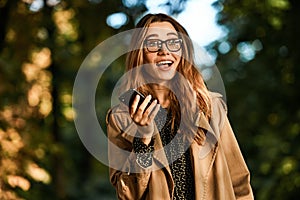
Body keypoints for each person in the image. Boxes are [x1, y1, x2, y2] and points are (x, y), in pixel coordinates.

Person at [106, 13, 254, 200]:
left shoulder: (210, 107)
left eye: (173, 43)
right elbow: (128, 195)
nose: (164, 51)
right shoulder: (121, 117)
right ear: (139, 53)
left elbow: (239, 183)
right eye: (153, 44)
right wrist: (142, 138)